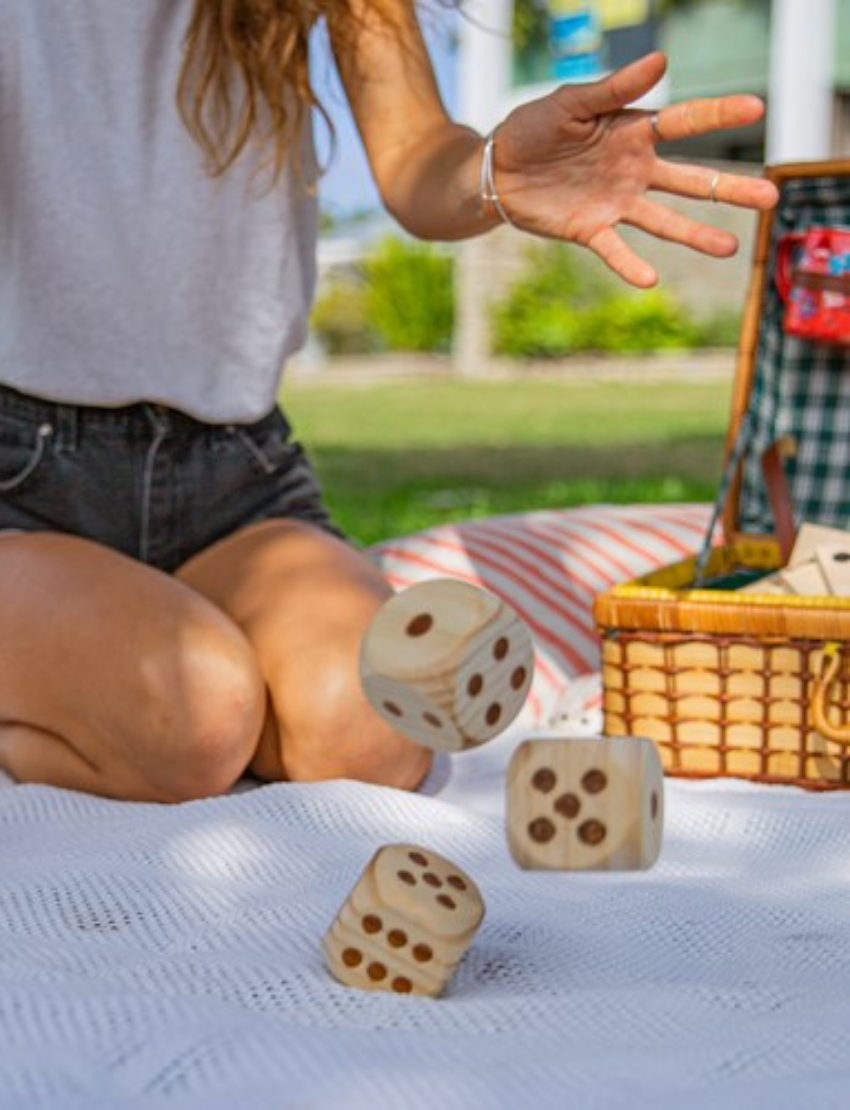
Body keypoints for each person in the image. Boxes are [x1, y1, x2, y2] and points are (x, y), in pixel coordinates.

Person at [0, 1, 777, 803]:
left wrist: (494, 175)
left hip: (236, 476)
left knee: (372, 733)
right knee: (195, 718)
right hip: (20, 480)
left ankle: (132, 660)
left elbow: (415, 157)